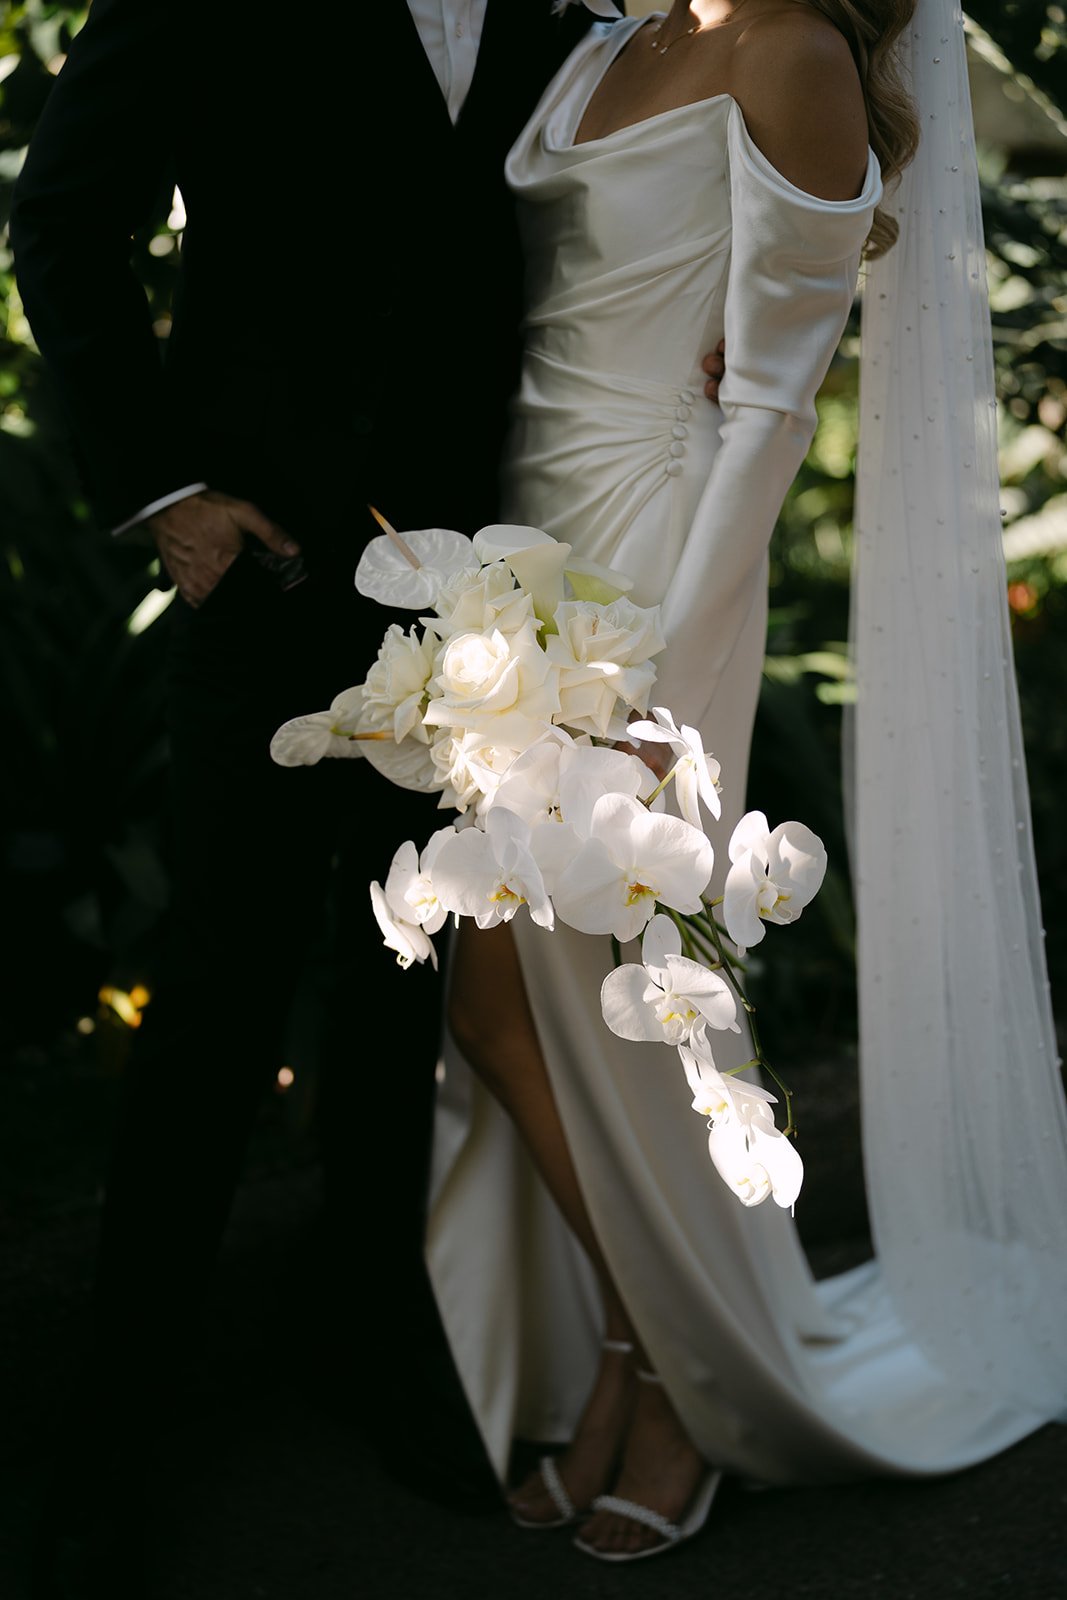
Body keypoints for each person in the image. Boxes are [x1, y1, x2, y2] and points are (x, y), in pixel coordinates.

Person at [12, 3, 724, 1595]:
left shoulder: (568, 12)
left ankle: (360, 1330)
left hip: (484, 579)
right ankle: (113, 1429)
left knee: (407, 983)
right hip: (262, 572)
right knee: (213, 999)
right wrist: (165, 492)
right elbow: (61, 215)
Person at [408, 0, 1067, 1566]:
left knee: (578, 994)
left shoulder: (793, 49)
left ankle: (672, 1384)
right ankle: (647, 1345)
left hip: (648, 579)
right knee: (504, 1009)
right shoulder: (602, 38)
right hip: (510, 555)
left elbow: (770, 408)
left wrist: (655, 696)